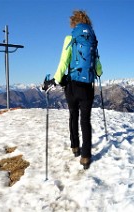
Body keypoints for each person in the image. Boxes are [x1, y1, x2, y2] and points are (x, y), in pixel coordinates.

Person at [50, 9, 103, 169]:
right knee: (85, 120)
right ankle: (86, 156)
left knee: (73, 115)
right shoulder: (93, 40)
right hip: (87, 86)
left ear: (73, 22)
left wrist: (56, 79)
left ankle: (75, 147)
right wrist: (98, 72)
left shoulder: (70, 38)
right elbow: (98, 68)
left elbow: (63, 62)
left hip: (72, 84)